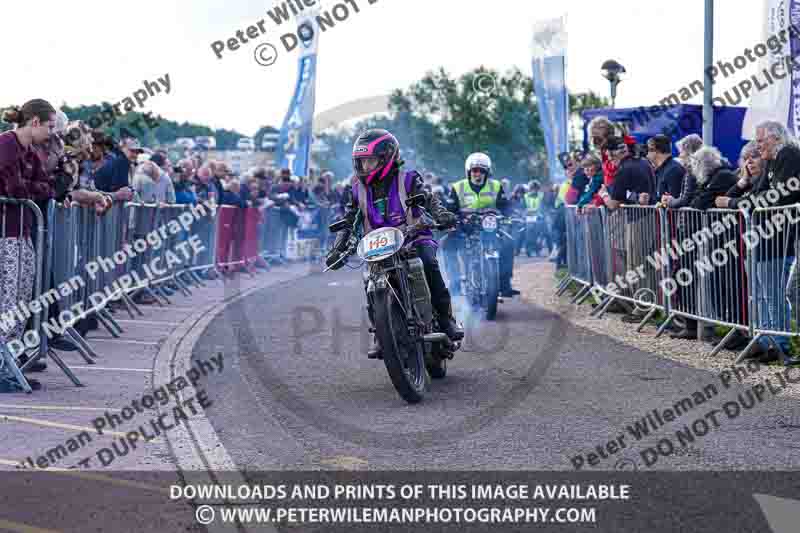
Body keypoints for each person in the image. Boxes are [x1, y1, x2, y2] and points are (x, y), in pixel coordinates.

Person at [325, 129, 463, 358]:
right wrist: (338, 248)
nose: (364, 167)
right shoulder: (356, 188)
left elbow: (428, 199)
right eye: (361, 162)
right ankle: (381, 333)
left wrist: (441, 215)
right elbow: (349, 219)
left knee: (428, 263)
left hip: (414, 236)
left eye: (369, 161)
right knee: (369, 280)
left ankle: (446, 319)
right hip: (378, 246)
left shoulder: (408, 178)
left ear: (386, 157)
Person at [716, 121, 800, 363]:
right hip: (762, 237)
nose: (758, 145)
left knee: (773, 295)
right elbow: (756, 195)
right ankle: (766, 342)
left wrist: (733, 204)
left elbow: (776, 197)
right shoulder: (774, 160)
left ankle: (781, 344)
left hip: (778, 236)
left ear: (776, 138)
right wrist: (740, 195)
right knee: (761, 295)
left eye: (761, 140)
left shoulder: (789, 154)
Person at [0, 100, 58, 390]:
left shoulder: (30, 153)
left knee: (21, 302)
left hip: (21, 232)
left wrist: (29, 188)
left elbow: (47, 186)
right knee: (8, 303)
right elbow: (14, 189)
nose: (51, 133)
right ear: (34, 122)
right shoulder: (6, 145)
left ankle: (8, 365)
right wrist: (30, 189)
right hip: (5, 234)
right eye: (49, 126)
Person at [445, 152, 519, 297]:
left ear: (487, 172)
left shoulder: (496, 186)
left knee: (509, 243)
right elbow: (450, 209)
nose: (478, 173)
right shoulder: (458, 187)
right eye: (475, 170)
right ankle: (455, 284)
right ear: (469, 171)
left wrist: (512, 216)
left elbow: (505, 206)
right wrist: (452, 220)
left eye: (482, 170)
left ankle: (505, 285)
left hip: (489, 227)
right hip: (465, 227)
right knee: (446, 245)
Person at [647, 134, 685, 200]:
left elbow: (674, 201)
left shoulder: (673, 170)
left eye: (649, 150)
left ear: (656, 150)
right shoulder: (660, 170)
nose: (647, 155)